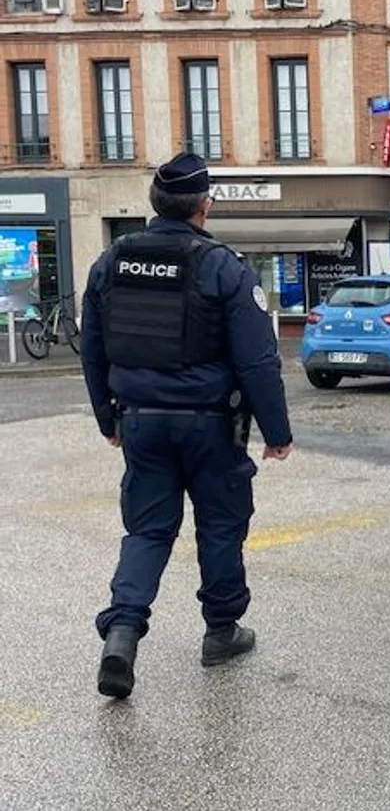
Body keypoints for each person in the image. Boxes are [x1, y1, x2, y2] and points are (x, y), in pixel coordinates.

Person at [81, 152, 293, 700]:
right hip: (210, 426)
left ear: (156, 203)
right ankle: (221, 632)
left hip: (141, 423)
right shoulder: (222, 265)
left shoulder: (112, 261)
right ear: (204, 204)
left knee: (147, 531)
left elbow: (94, 350)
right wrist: (277, 431)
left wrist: (108, 418)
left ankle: (122, 633)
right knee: (220, 526)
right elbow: (256, 359)